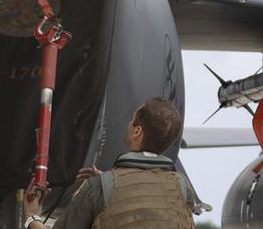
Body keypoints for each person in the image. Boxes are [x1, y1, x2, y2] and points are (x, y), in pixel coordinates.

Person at [22, 98, 197, 229]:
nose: (128, 124)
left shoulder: (98, 187)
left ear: (137, 131)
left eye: (131, 120)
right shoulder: (182, 188)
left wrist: (31, 216)